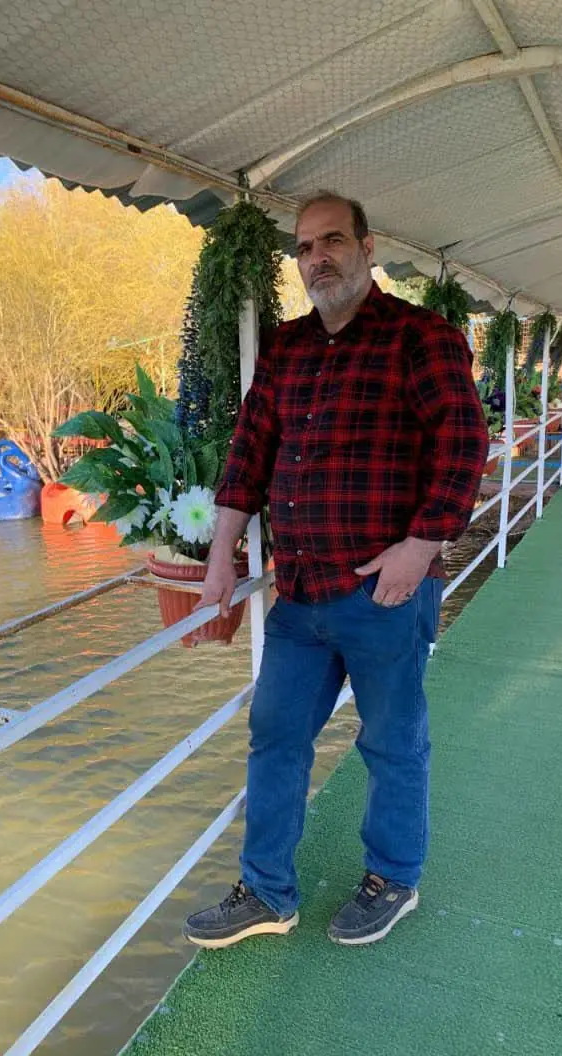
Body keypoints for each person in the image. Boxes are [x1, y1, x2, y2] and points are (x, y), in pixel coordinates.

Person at [184, 192, 488, 949]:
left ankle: (394, 877)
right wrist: (220, 557)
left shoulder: (421, 337)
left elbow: (462, 446)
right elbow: (248, 453)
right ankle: (267, 893)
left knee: (390, 742)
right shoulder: (285, 348)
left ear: (366, 246)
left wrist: (420, 547)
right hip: (298, 594)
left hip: (384, 592)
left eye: (331, 241)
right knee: (275, 735)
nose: (316, 258)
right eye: (303, 248)